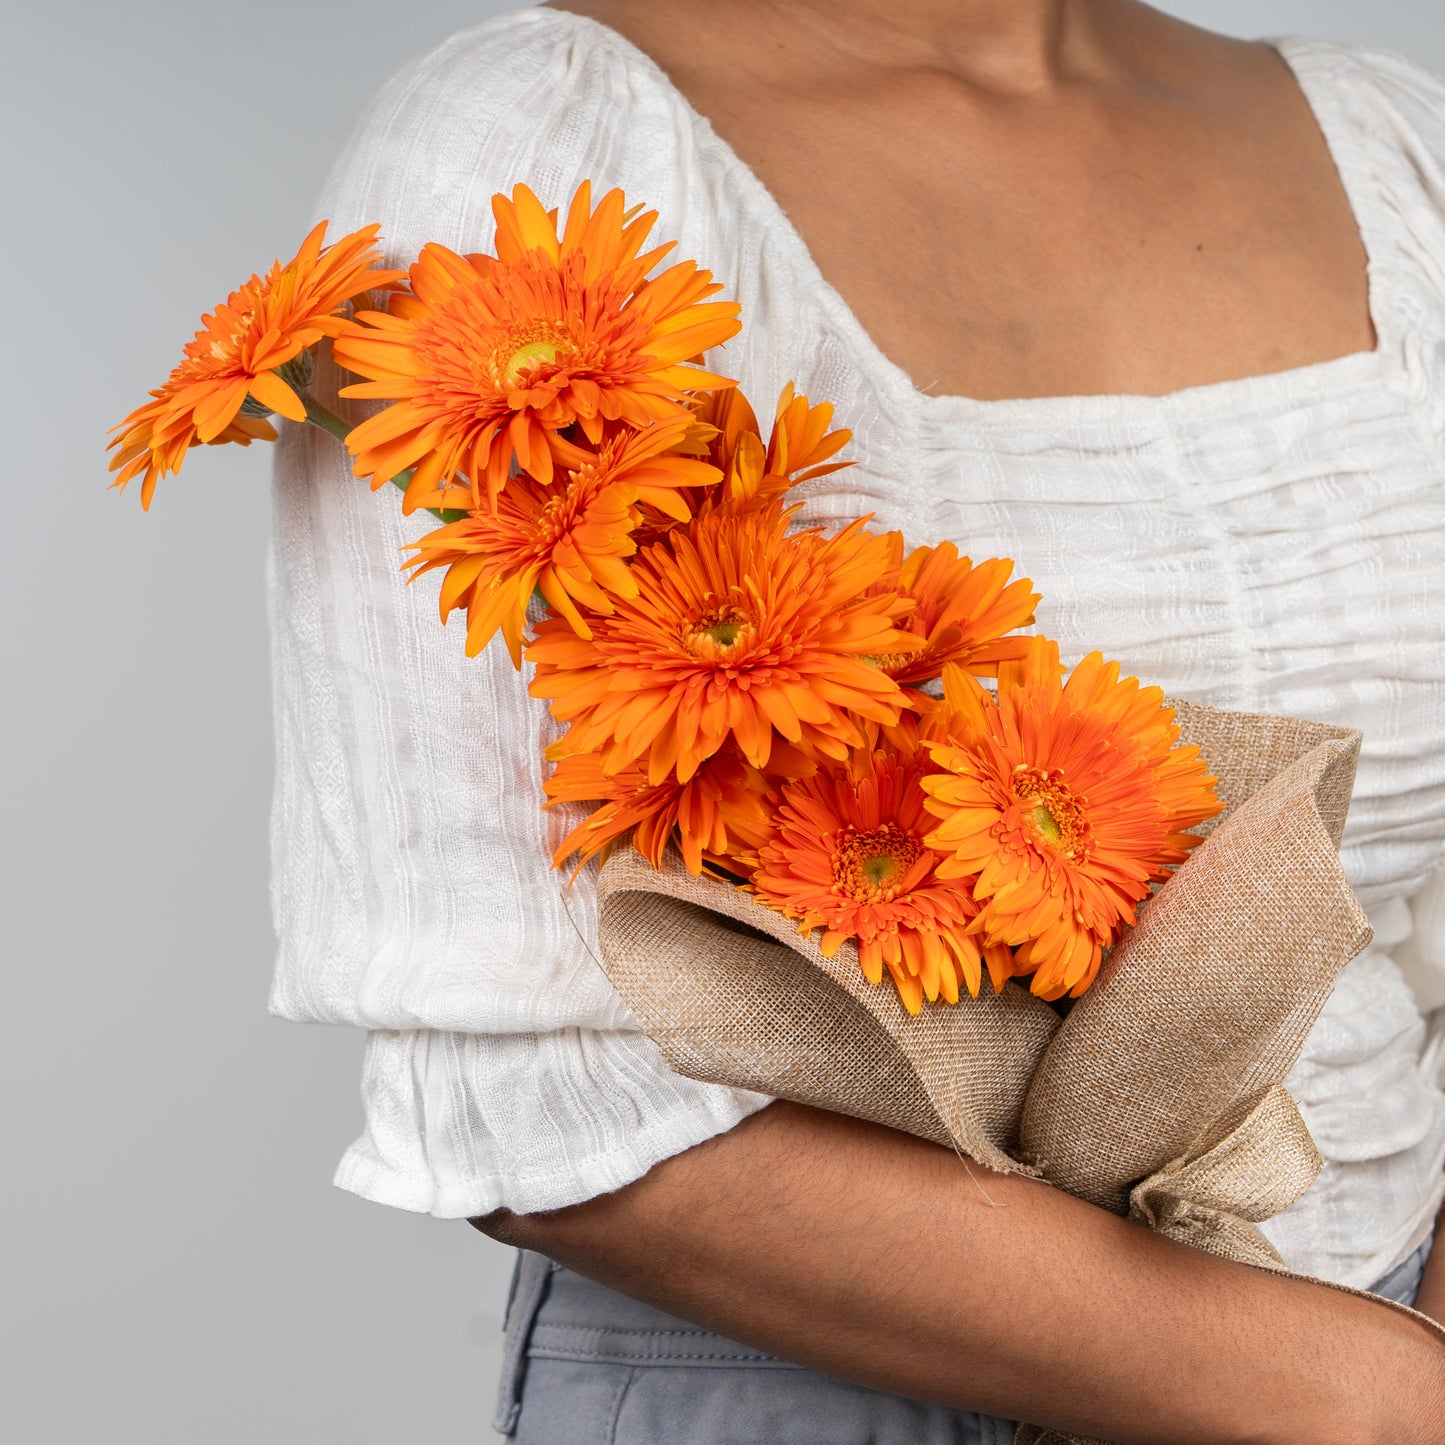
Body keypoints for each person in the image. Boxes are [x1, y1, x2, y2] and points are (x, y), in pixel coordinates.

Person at [265, 0, 1445, 1438]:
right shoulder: (544, 139)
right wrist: (1368, 1401)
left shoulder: (1399, 145)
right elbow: (533, 1095)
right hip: (842, 1392)